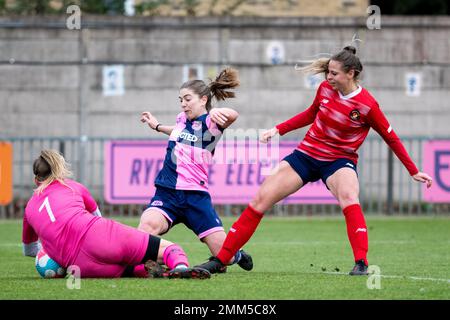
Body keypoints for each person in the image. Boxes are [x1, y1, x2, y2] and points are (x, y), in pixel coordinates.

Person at [196, 46, 433, 275]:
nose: (328, 77)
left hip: (339, 160)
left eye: (334, 73)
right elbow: (311, 114)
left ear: (351, 74)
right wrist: (278, 129)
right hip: (306, 155)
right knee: (260, 200)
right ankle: (222, 259)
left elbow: (390, 138)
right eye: (328, 72)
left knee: (350, 198)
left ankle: (361, 263)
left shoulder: (368, 106)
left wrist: (413, 170)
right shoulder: (325, 89)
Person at [22, 149, 210, 279]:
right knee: (169, 249)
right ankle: (181, 268)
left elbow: (29, 251)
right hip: (97, 236)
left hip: (78, 266)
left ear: (35, 179)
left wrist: (52, 249)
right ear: (59, 171)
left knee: (128, 269)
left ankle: (146, 271)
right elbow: (97, 217)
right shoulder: (73, 187)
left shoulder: (29, 208)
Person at [138, 68, 253, 273]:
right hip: (168, 193)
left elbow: (233, 115)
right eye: (180, 99)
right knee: (146, 227)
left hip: (195, 197)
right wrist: (157, 126)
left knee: (223, 256)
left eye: (187, 99)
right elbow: (178, 132)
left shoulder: (211, 123)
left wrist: (220, 112)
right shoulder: (182, 120)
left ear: (203, 100)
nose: (183, 103)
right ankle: (156, 263)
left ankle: (238, 254)